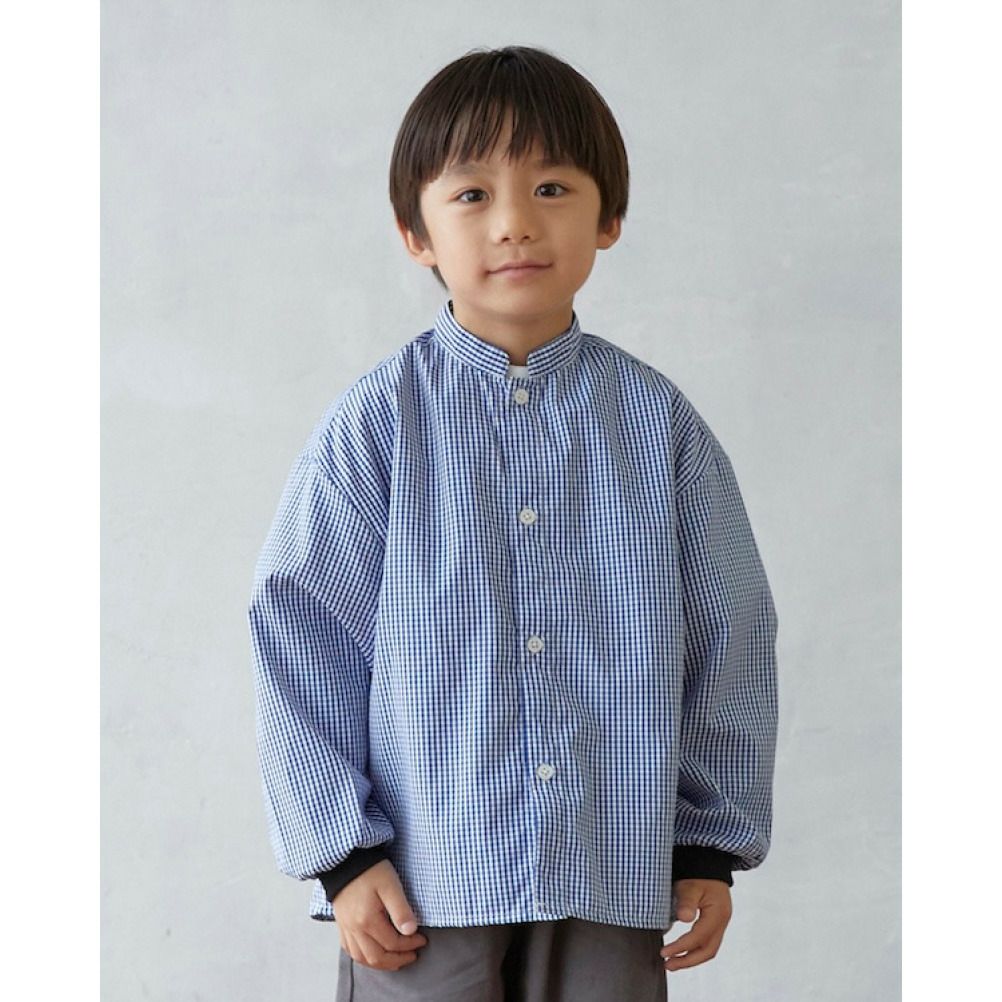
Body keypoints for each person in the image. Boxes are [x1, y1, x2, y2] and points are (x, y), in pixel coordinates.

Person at [247, 44, 779, 1002]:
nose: (514, 224)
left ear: (609, 217)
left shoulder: (660, 427)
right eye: (471, 195)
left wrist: (708, 840)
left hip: (612, 859)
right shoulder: (376, 424)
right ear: (415, 232)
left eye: (551, 188)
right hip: (425, 876)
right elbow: (301, 635)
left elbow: (730, 633)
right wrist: (342, 853)